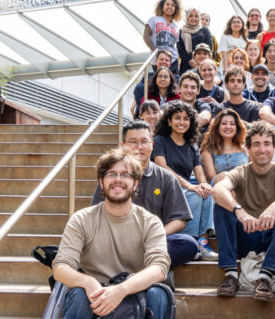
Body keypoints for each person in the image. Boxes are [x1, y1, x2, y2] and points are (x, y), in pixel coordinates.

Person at [53, 149, 171, 319]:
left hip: (134, 294)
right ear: (101, 182)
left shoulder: (150, 222)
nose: (118, 179)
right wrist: (87, 282)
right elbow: (60, 267)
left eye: (125, 175)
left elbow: (159, 268)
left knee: (158, 294)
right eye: (111, 174)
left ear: (136, 183)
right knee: (79, 294)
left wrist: (121, 290)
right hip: (94, 295)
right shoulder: (82, 219)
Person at [212, 121, 275, 301]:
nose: (262, 149)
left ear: (274, 147)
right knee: (221, 204)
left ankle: (265, 277)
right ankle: (231, 275)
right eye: (256, 144)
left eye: (267, 144)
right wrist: (239, 210)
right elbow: (217, 190)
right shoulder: (240, 171)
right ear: (247, 149)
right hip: (248, 235)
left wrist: (274, 207)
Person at [90, 121, 198, 272]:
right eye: (133, 142)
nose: (139, 147)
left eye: (144, 142)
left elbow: (179, 220)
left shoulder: (166, 177)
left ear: (152, 144)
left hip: (152, 240)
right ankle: (149, 272)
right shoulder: (113, 177)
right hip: (116, 240)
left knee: (187, 244)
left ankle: (129, 271)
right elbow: (95, 214)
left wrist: (151, 235)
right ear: (123, 145)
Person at [152, 101, 217, 260]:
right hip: (164, 188)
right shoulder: (160, 141)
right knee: (194, 195)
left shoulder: (192, 146)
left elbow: (199, 173)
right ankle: (192, 242)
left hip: (184, 189)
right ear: (169, 121)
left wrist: (203, 184)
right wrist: (190, 186)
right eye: (177, 118)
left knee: (209, 193)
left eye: (186, 119)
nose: (182, 122)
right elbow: (162, 167)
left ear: (191, 122)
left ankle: (202, 241)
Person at [200, 108, 249, 186]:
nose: (228, 127)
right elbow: (210, 177)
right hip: (219, 188)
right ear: (217, 127)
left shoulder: (245, 148)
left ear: (237, 127)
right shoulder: (208, 150)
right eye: (224, 123)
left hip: (244, 187)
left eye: (232, 124)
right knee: (225, 176)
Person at [144, 0, 182, 73]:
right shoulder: (154, 19)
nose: (170, 7)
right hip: (158, 59)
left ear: (175, 9)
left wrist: (178, 60)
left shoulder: (176, 27)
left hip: (173, 60)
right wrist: (156, 51)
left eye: (172, 5)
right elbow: (146, 36)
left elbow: (175, 45)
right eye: (167, 4)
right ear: (162, 7)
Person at [131, 49, 175, 116]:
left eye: (166, 60)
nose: (164, 62)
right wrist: (132, 107)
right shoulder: (148, 75)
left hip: (166, 105)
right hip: (150, 101)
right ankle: (142, 114)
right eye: (161, 59)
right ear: (156, 61)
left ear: (170, 64)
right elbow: (139, 90)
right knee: (140, 87)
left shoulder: (175, 78)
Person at [177, 8, 213, 74]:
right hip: (186, 64)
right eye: (191, 16)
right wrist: (190, 60)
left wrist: (200, 60)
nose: (194, 18)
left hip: (203, 62)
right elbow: (180, 49)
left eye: (196, 16)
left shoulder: (204, 30)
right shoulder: (181, 31)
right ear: (187, 17)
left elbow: (209, 46)